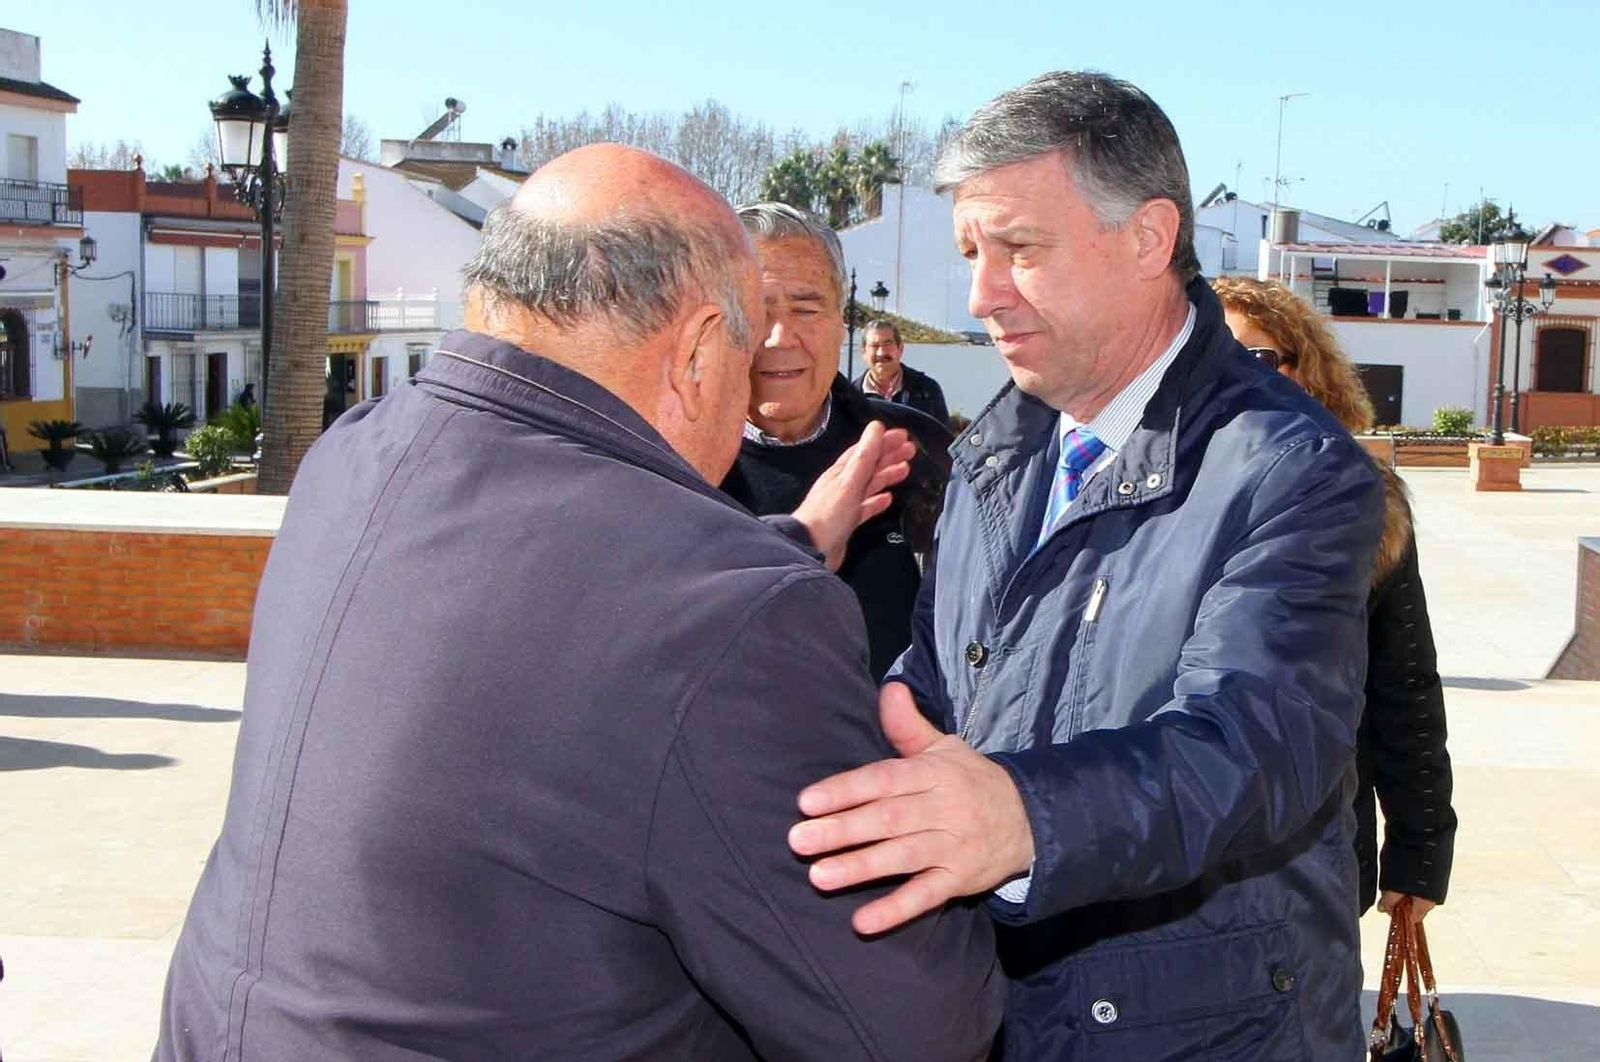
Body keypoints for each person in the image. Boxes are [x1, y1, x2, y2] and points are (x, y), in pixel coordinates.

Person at [154, 145, 1001, 1062]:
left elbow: (557, 603)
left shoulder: (349, 457)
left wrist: (788, 542)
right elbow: (913, 1025)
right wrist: (975, 818)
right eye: (749, 335)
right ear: (697, 351)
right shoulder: (732, 611)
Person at [786, 72, 1386, 1061]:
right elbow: (945, 682)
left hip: (1204, 1033)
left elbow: (1254, 746)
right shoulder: (991, 456)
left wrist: (1021, 817)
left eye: (1018, 249)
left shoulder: (1290, 469)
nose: (980, 296)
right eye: (972, 254)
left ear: (1149, 237)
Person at [1215, 276, 1457, 923]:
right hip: (1175, 858)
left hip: (1316, 850)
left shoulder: (1365, 503)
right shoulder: (1150, 496)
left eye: (1256, 356)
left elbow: (1404, 684)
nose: (1233, 373)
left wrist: (1420, 851)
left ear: (1303, 371)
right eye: (1212, 353)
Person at [720, 203, 954, 681]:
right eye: (755, 310)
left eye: (806, 309)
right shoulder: (663, 464)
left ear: (841, 323)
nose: (779, 337)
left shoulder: (919, 450)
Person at [855, 319, 951, 426]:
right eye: (874, 345)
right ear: (863, 352)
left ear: (900, 349)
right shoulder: (852, 397)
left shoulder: (928, 390)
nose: (881, 353)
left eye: (887, 344)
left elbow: (943, 434)